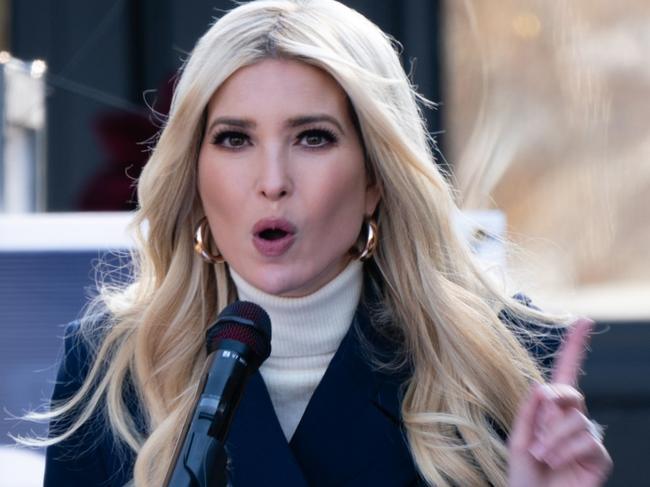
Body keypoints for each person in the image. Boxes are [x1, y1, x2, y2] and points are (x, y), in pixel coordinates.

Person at [26, 1, 612, 486]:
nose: (273, 180)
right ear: (195, 176)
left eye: (312, 137)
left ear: (376, 179)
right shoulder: (114, 365)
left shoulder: (502, 361)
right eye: (235, 139)